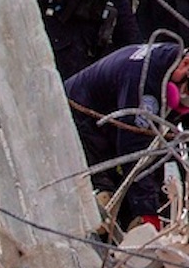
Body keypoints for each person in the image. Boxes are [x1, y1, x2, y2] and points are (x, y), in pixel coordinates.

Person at [65, 41, 189, 230]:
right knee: (105, 201)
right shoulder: (145, 80)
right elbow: (134, 149)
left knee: (164, 182)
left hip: (111, 125)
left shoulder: (170, 63)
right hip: (80, 120)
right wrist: (146, 211)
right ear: (185, 64)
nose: (184, 99)